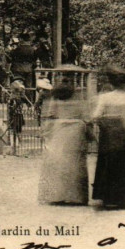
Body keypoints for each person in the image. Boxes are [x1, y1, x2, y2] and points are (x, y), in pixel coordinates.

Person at [91, 66, 125, 209]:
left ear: (111, 82)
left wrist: (105, 121)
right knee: (121, 165)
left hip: (108, 135)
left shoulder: (105, 97)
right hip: (124, 135)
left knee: (107, 165)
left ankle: (107, 197)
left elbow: (95, 116)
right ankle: (122, 198)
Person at [38, 70, 89, 205]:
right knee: (74, 164)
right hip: (75, 130)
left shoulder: (56, 95)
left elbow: (50, 113)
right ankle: (75, 196)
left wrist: (47, 130)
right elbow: (84, 114)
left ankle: (57, 195)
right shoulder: (78, 95)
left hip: (59, 130)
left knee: (59, 163)